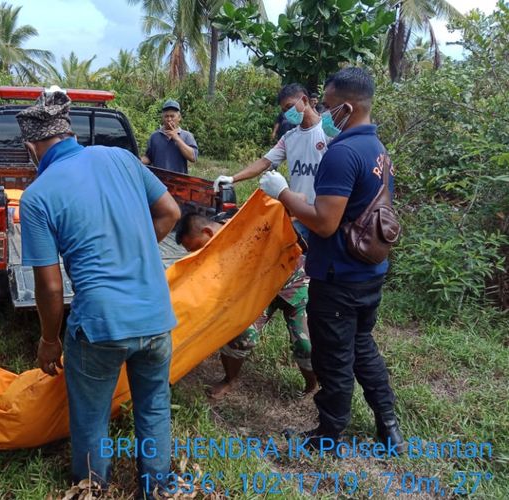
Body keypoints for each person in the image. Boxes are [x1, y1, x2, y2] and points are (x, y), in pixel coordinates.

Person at [17, 90, 181, 497]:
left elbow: (50, 284)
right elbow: (171, 212)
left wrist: (50, 340)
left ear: (32, 147)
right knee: (154, 407)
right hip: (157, 316)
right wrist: (137, 249)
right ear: (68, 131)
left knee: (91, 418)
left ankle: (93, 489)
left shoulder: (37, 196)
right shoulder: (121, 158)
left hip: (101, 324)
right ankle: (156, 488)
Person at [259, 67, 405, 452]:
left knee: (335, 357)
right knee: (362, 346)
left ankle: (328, 436)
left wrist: (284, 193)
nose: (322, 112)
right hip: (370, 271)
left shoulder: (342, 153)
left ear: (346, 107)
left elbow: (324, 223)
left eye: (325, 105)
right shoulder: (378, 149)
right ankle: (388, 426)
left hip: (339, 276)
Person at [175, 213, 316, 399]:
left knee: (306, 344)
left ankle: (312, 386)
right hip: (259, 290)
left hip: (293, 281)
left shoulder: (248, 220)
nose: (196, 255)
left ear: (208, 232)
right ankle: (229, 380)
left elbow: (294, 205)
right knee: (239, 335)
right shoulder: (214, 252)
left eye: (196, 248)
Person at [214, 83, 329, 243]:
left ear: (305, 100)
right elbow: (264, 162)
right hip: (300, 212)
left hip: (325, 214)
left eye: (290, 107)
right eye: (284, 110)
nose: (288, 113)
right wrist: (232, 178)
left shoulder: (329, 131)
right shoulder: (289, 138)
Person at [140, 99, 198, 173]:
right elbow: (149, 158)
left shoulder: (187, 136)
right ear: (162, 117)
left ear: (179, 117)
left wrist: (176, 138)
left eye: (172, 116)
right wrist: (137, 161)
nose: (169, 119)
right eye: (166, 116)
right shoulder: (154, 136)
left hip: (178, 182)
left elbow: (193, 158)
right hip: (158, 181)